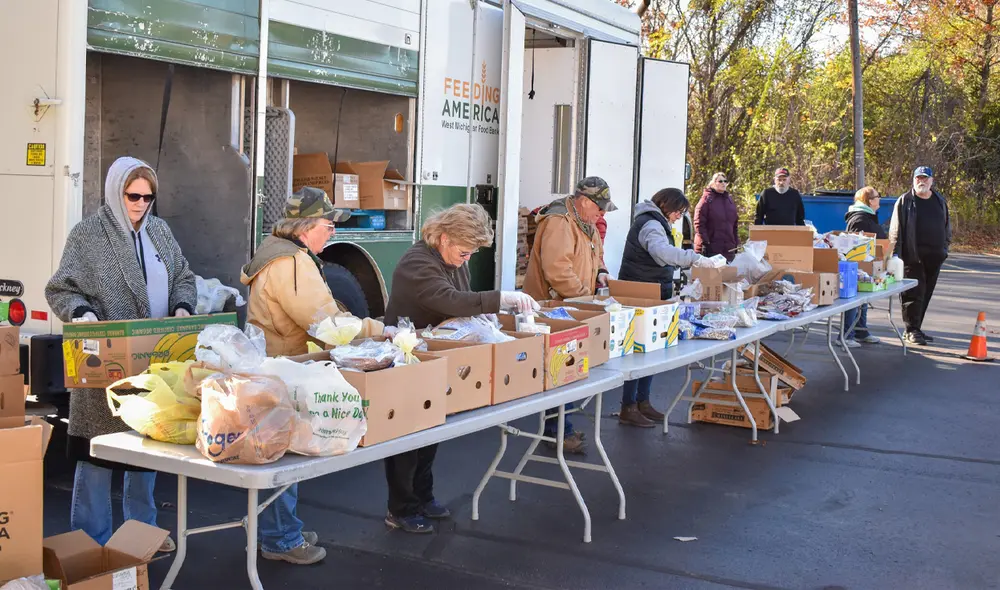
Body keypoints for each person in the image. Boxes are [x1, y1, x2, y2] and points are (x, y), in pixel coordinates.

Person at [45, 156, 195, 553]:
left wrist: (183, 304)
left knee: (146, 450)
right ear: (116, 190)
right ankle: (87, 542)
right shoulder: (88, 235)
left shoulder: (160, 232)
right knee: (97, 454)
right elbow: (61, 288)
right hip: (104, 360)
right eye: (133, 195)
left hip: (153, 362)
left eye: (148, 196)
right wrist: (84, 314)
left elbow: (183, 275)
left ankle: (141, 533)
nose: (141, 203)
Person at [240, 187, 387, 563]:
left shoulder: (279, 254)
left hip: (272, 366)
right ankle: (281, 540)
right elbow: (325, 322)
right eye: (328, 224)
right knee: (284, 455)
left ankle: (274, 528)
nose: (332, 232)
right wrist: (377, 330)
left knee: (276, 451)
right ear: (305, 227)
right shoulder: (291, 263)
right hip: (283, 371)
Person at [383, 204, 537, 534]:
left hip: (436, 352)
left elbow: (462, 297)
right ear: (443, 237)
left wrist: (484, 316)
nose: (467, 259)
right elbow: (449, 300)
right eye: (464, 252)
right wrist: (500, 300)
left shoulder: (450, 259)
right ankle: (401, 508)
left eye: (471, 254)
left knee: (432, 429)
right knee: (409, 433)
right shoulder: (418, 263)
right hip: (410, 355)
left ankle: (423, 496)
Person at [522, 177, 617, 454]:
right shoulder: (559, 222)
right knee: (559, 369)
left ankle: (563, 429)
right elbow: (558, 270)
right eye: (600, 208)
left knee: (569, 368)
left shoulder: (586, 223)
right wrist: (584, 300)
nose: (603, 214)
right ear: (585, 201)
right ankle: (558, 432)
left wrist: (601, 273)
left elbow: (597, 256)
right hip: (556, 307)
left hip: (574, 305)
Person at [617, 188, 713, 427]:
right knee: (638, 351)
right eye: (678, 212)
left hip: (652, 290)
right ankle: (628, 406)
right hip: (640, 293)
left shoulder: (656, 221)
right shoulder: (650, 224)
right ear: (666, 205)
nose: (679, 217)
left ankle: (643, 402)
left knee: (651, 348)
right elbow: (662, 252)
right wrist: (694, 258)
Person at [889, 166, 951, 346]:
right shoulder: (905, 201)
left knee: (926, 294)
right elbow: (895, 229)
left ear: (931, 181)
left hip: (935, 256)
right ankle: (911, 329)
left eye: (925, 178)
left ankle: (917, 327)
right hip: (912, 257)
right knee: (913, 294)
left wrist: (945, 247)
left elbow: (947, 225)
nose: (921, 181)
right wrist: (895, 254)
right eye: (918, 178)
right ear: (913, 180)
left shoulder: (939, 200)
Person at [842, 186, 888, 348]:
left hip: (867, 265)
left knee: (862, 299)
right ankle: (846, 335)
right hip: (857, 266)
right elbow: (854, 245)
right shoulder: (859, 219)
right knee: (854, 299)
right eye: (878, 196)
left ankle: (861, 331)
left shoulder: (868, 216)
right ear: (870, 200)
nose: (880, 199)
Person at [694, 172, 740, 262]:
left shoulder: (729, 200)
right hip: (711, 248)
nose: (723, 183)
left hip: (728, 248)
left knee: (728, 275)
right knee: (711, 275)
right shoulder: (707, 199)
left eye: (725, 181)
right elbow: (699, 223)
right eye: (720, 181)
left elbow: (734, 224)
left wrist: (736, 242)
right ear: (713, 183)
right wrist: (705, 242)